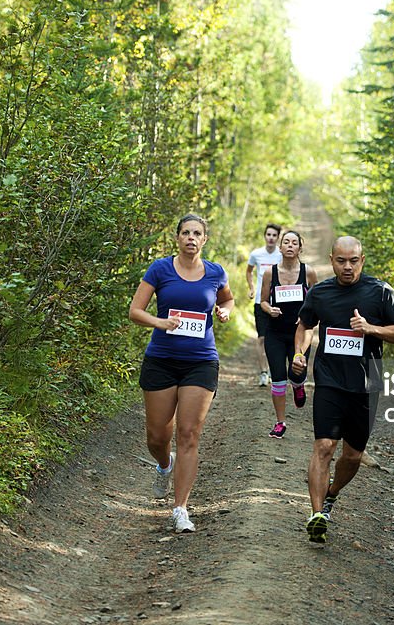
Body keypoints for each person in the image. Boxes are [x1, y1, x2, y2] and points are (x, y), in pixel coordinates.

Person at [292, 236, 394, 543]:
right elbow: (305, 325)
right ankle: (317, 515)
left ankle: (331, 494)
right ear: (331, 260)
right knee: (324, 447)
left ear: (362, 260)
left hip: (365, 385)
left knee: (353, 456)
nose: (347, 267)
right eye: (341, 261)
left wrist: (370, 328)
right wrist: (300, 353)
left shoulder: (380, 292)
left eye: (353, 261)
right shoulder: (321, 293)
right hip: (329, 381)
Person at [128, 214, 234, 533]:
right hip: (161, 359)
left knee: (188, 434)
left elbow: (227, 298)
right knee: (158, 436)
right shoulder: (160, 269)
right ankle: (164, 464)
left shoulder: (215, 272)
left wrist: (226, 310)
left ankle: (180, 509)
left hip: (201, 361)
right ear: (177, 238)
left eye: (197, 233)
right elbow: (135, 311)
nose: (191, 237)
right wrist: (159, 322)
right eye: (185, 232)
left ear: (204, 240)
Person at [259, 229, 318, 439]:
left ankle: (299, 384)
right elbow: (263, 301)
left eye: (295, 242)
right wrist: (269, 309)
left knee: (297, 372)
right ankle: (280, 422)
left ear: (300, 248)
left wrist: (306, 317)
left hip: (299, 334)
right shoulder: (270, 273)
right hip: (275, 332)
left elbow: (316, 302)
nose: (290, 245)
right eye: (286, 242)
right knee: (278, 378)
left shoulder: (308, 272)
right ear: (281, 247)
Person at [246, 224, 282, 386]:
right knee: (261, 338)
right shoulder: (256, 254)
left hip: (278, 302)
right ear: (264, 236)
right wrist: (252, 287)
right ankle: (263, 373)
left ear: (278, 238)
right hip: (260, 302)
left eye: (274, 235)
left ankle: (277, 372)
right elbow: (249, 271)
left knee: (277, 338)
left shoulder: (281, 255)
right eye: (268, 234)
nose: (271, 238)